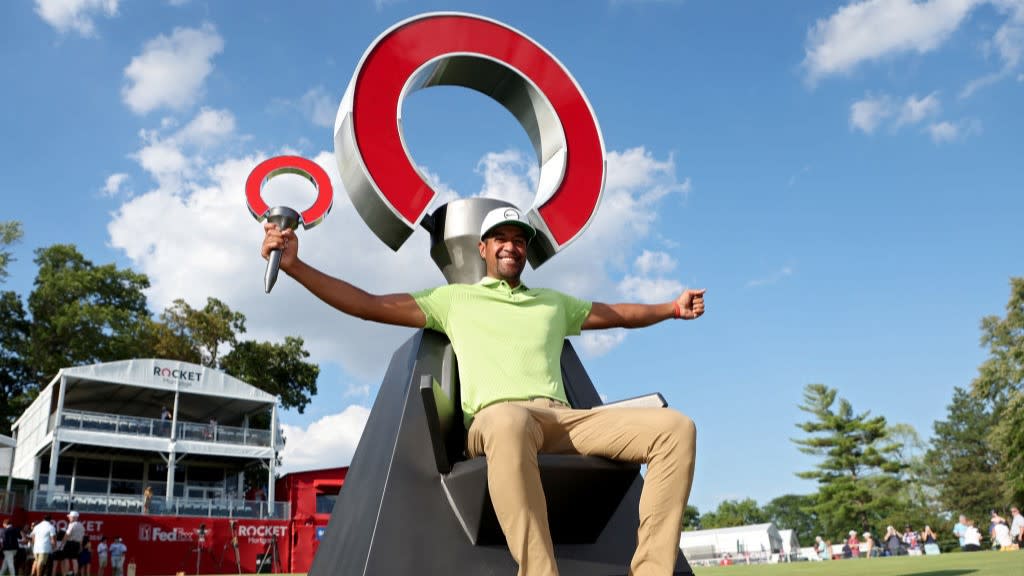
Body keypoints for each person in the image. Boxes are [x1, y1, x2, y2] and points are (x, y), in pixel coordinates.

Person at [261, 207, 706, 576]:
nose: (511, 245)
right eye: (501, 238)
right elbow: (368, 304)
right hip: (497, 420)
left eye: (519, 239)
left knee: (675, 428)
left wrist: (670, 308)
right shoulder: (454, 299)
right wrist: (297, 266)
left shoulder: (552, 303)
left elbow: (617, 313)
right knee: (510, 421)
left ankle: (650, 571)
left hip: (563, 419)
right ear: (483, 248)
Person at [61, 511, 85, 576]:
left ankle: (65, 574)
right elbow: (82, 538)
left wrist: (62, 543)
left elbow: (67, 535)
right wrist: (80, 546)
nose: (69, 518)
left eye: (70, 517)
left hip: (70, 543)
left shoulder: (71, 524)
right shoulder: (81, 526)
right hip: (77, 544)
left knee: (66, 558)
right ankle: (75, 574)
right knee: (75, 559)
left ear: (74, 517)